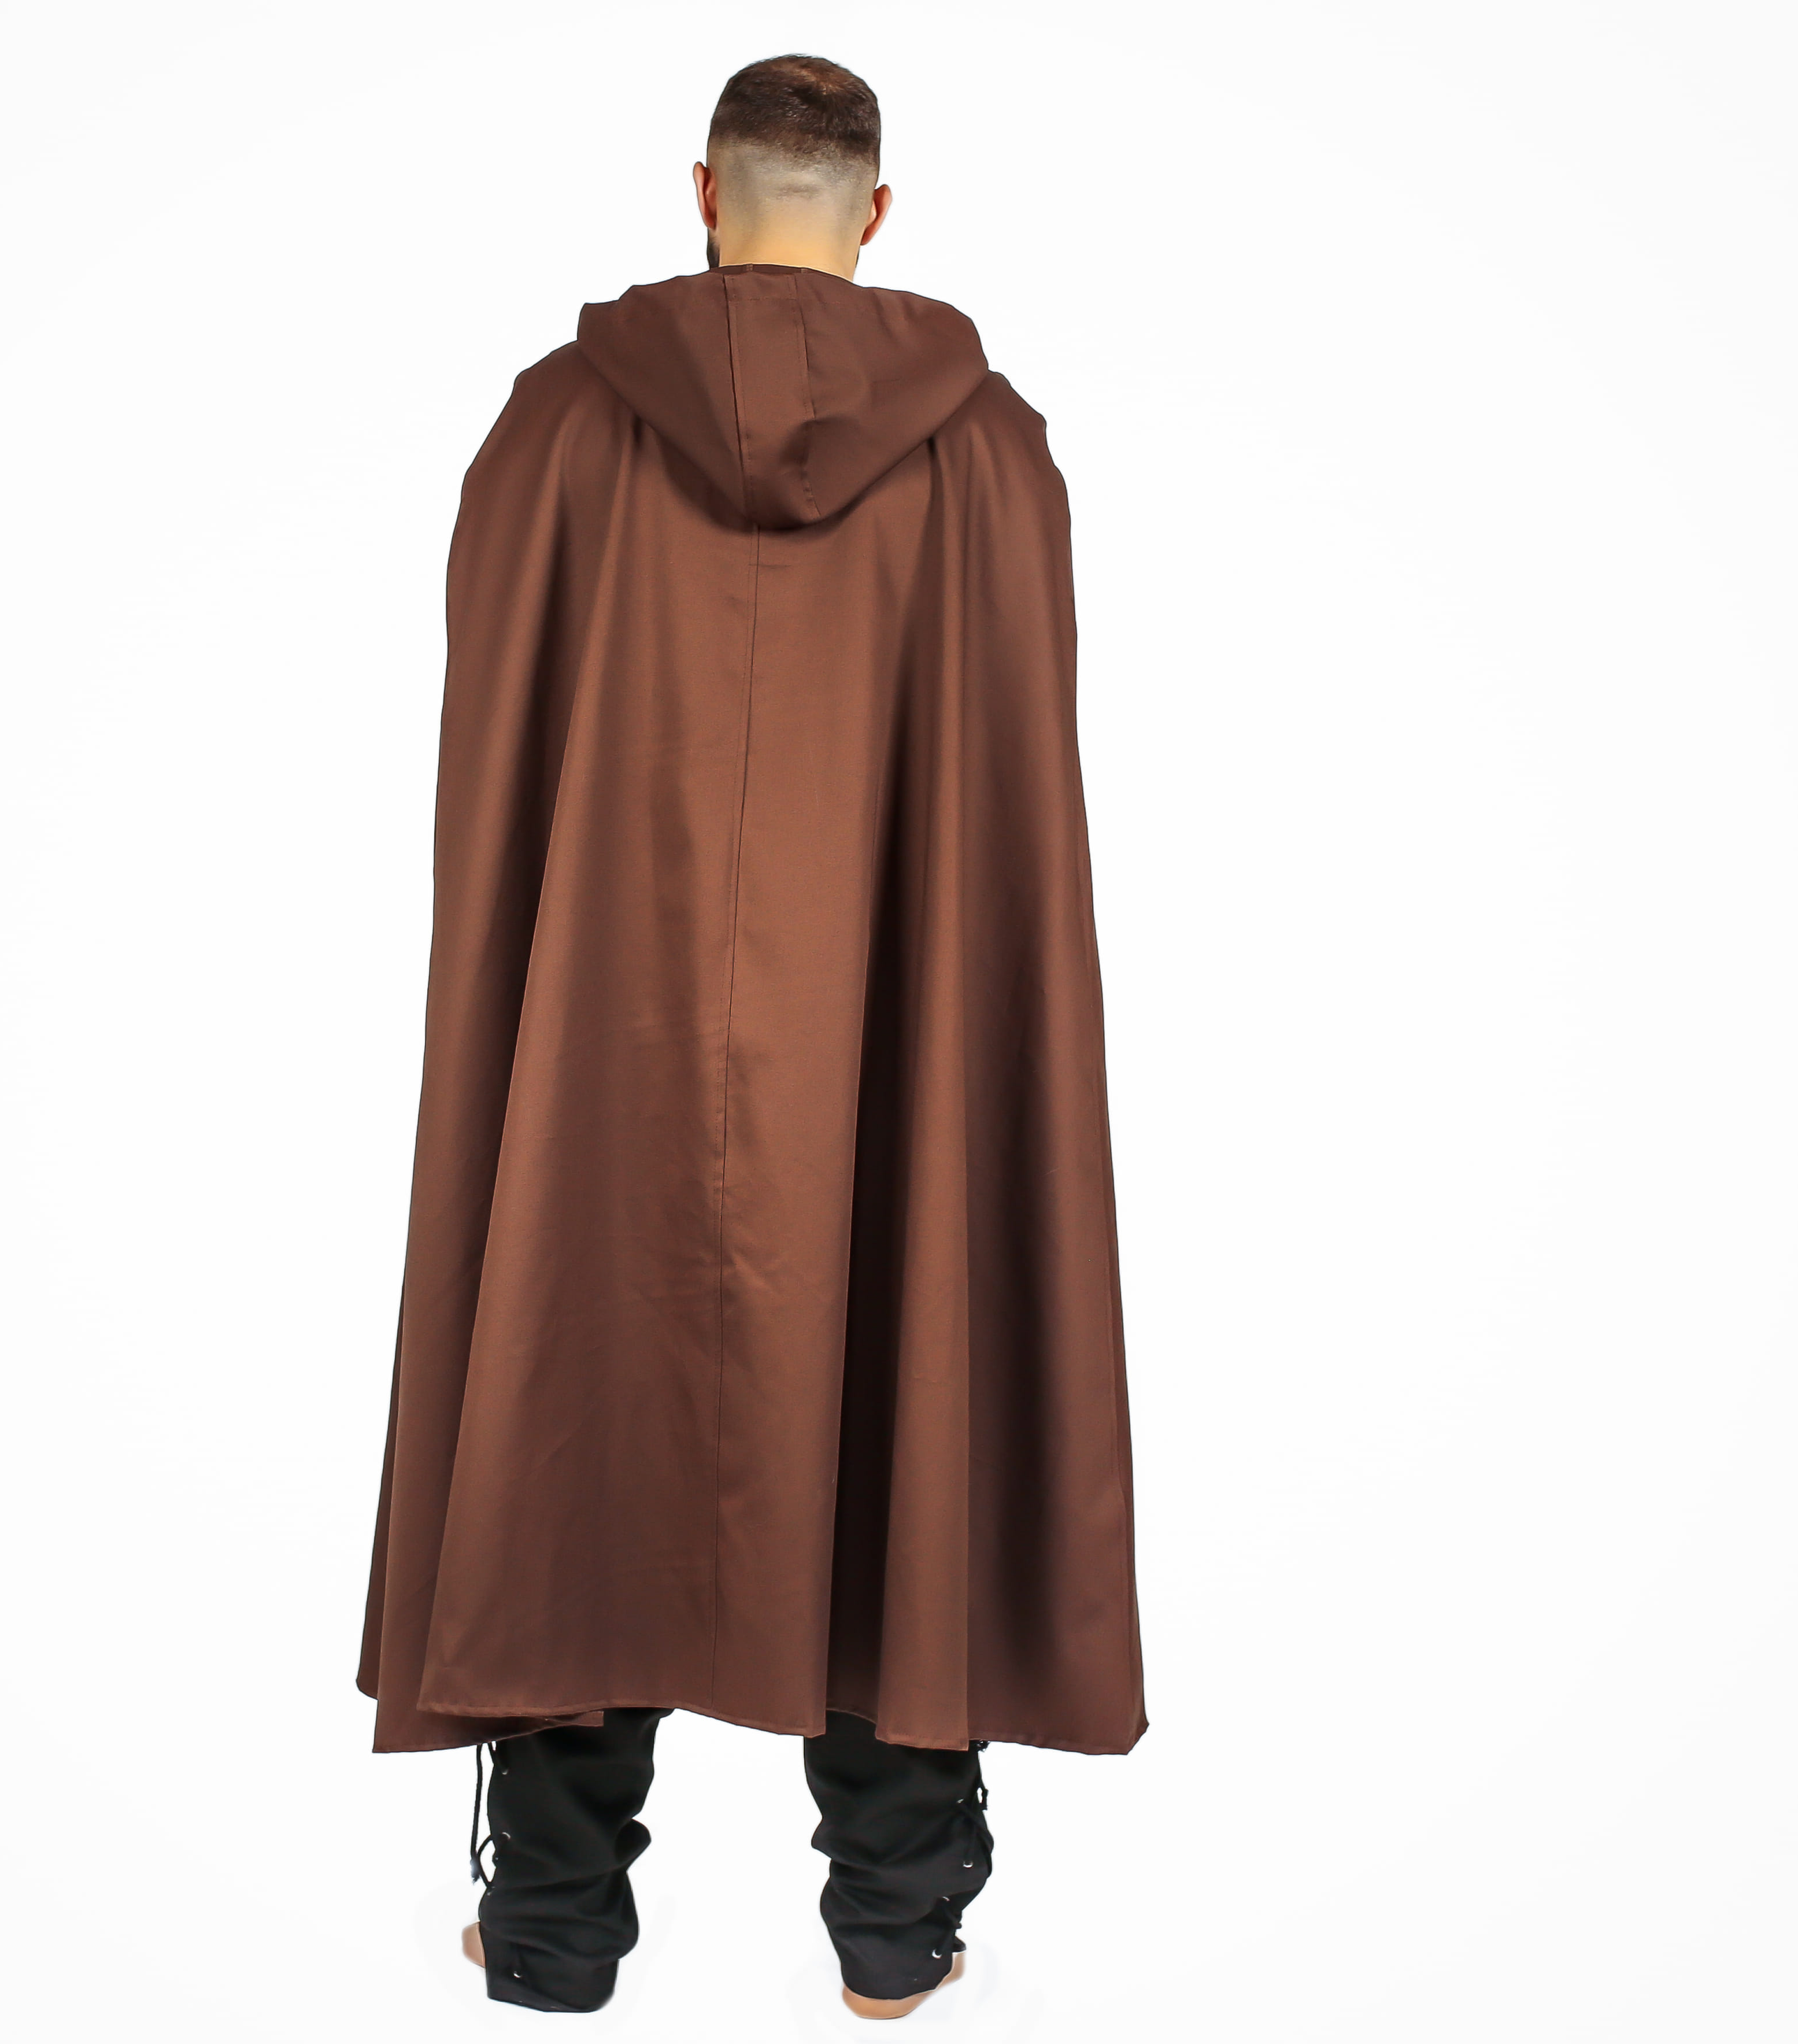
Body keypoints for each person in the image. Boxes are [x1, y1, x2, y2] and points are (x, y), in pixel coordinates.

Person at [357, 53, 1145, 2019]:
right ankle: (894, 1934)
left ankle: (554, 1931)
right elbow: (1005, 829)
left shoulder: (558, 428)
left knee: (579, 1377)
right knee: (902, 1362)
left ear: (703, 195)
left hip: (608, 1037)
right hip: (886, 1037)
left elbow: (499, 766)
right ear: (874, 215)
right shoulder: (992, 455)